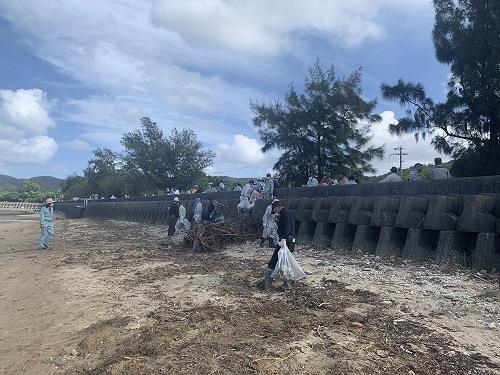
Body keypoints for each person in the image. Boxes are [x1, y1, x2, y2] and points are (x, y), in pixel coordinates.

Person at [264, 200, 296, 288]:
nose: (275, 212)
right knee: (285, 261)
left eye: (275, 210)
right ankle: (289, 281)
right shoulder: (285, 214)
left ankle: (268, 282)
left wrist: (284, 239)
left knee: (276, 261)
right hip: (287, 241)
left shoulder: (285, 214)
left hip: (286, 242)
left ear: (277, 208)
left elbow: (287, 227)